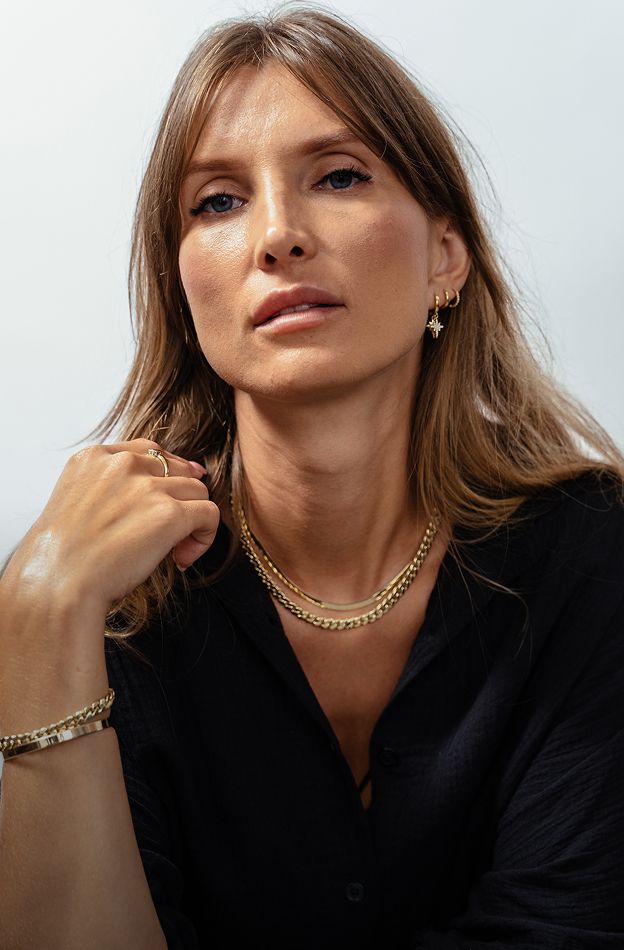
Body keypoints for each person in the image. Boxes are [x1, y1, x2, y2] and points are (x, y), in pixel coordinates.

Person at [1, 6, 623, 949]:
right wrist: (38, 616)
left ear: (445, 257)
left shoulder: (592, 554)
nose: (278, 235)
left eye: (338, 176)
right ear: (182, 289)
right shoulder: (106, 594)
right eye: (218, 201)